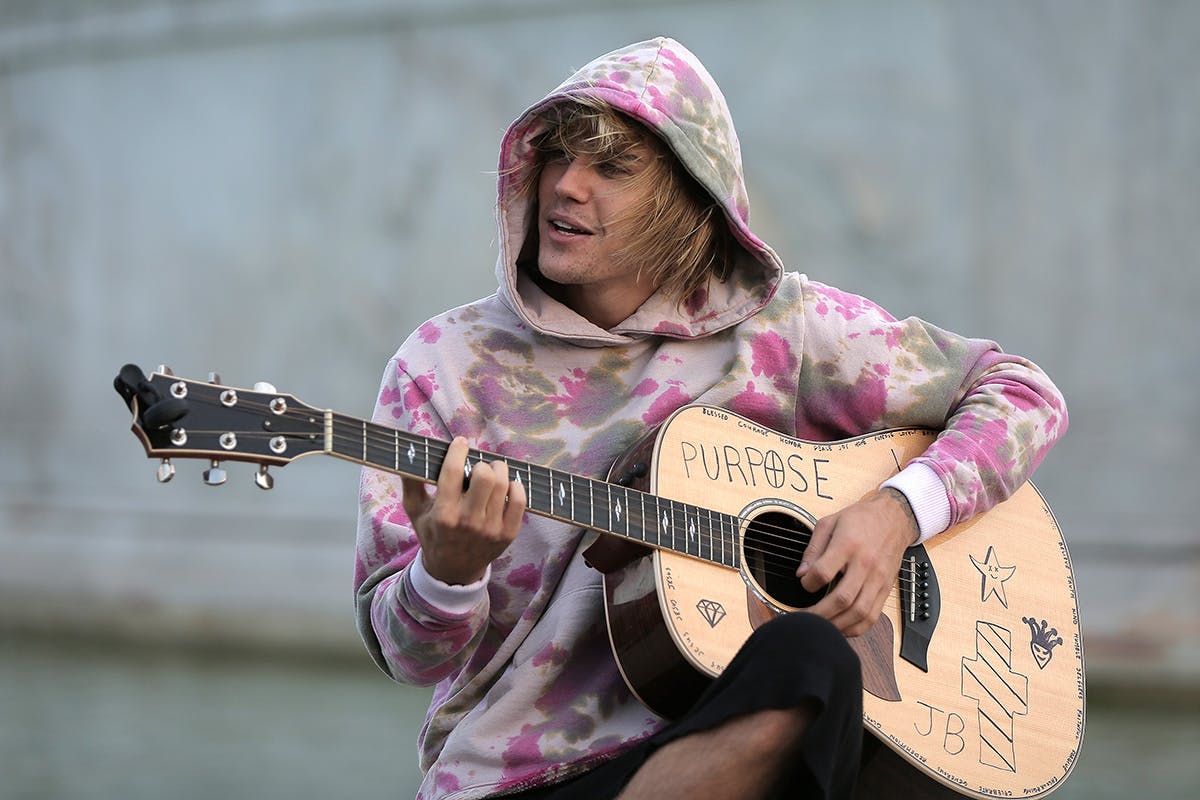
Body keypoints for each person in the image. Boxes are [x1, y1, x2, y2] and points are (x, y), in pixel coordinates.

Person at [353, 37, 1066, 800]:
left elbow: (1022, 395)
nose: (565, 186)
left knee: (820, 664)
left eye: (611, 169)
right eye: (557, 157)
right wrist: (448, 573)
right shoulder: (442, 365)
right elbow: (408, 660)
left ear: (688, 195)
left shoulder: (783, 328)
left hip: (730, 730)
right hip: (517, 780)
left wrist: (897, 513)